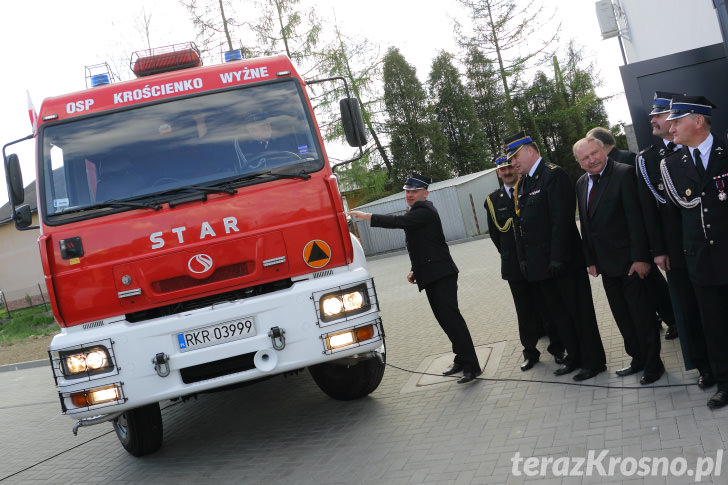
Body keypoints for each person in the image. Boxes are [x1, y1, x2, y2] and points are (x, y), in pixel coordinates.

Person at [350, 173, 481, 384]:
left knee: (453, 321)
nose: (409, 195)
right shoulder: (419, 211)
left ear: (425, 193)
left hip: (441, 275)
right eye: (407, 191)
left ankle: (472, 367)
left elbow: (398, 222)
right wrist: (415, 269)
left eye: (414, 191)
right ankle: (461, 359)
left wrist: (368, 217)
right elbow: (423, 244)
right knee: (446, 321)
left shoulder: (424, 210)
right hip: (432, 274)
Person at [507, 131, 607, 381]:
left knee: (578, 312)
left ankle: (592, 362)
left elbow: (561, 221)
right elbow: (523, 225)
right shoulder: (527, 181)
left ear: (531, 151)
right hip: (542, 267)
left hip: (564, 263)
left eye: (516, 156)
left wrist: (557, 258)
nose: (513, 163)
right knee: (559, 316)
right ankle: (573, 357)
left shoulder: (553, 175)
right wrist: (526, 260)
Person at [635, 91, 713, 388]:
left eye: (659, 114)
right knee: (689, 311)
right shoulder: (648, 159)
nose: (652, 120)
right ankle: (704, 366)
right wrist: (658, 250)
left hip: (708, 244)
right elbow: (648, 210)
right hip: (676, 250)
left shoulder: (700, 149)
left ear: (676, 117)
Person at [574, 137, 664, 385]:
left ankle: (654, 366)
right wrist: (590, 259)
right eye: (585, 158)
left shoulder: (624, 174)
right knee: (622, 317)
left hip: (631, 263)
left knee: (642, 316)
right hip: (605, 265)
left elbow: (638, 219)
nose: (592, 160)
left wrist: (640, 258)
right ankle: (638, 360)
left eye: (594, 153)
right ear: (580, 163)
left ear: (603, 150)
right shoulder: (582, 183)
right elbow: (587, 223)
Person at [660, 95, 728, 409]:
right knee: (713, 326)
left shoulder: (724, 151)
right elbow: (676, 216)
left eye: (676, 120)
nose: (669, 126)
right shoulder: (672, 164)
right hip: (702, 260)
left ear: (698, 120)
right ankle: (725, 382)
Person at [484, 154, 566, 371]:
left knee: (548, 306)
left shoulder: (530, 187)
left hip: (537, 260)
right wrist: (510, 256)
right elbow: (495, 235)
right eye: (503, 170)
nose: (508, 172)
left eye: (510, 167)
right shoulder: (492, 200)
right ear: (498, 173)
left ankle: (558, 349)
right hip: (513, 265)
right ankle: (530, 352)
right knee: (524, 311)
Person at [234, 112, 299, 170]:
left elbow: (297, 161)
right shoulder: (242, 148)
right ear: (251, 130)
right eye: (262, 125)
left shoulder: (284, 141)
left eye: (268, 124)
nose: (267, 127)